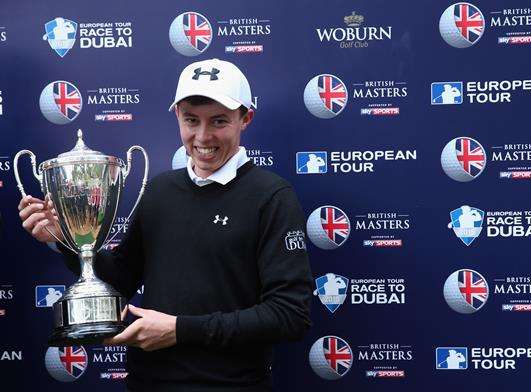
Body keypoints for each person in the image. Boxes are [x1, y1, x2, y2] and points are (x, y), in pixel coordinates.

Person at [18, 58, 313, 391]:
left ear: (245, 118)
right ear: (177, 116)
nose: (203, 136)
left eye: (219, 121)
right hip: (148, 384)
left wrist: (179, 330)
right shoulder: (160, 190)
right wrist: (64, 239)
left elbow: (289, 315)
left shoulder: (272, 196)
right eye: (191, 120)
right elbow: (119, 279)